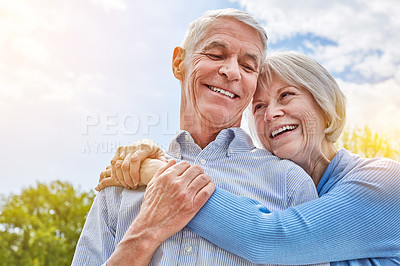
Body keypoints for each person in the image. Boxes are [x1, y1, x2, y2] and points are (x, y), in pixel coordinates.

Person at [98, 52, 400, 265]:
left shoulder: (382, 182)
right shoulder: (281, 192)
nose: (271, 114)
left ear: (323, 103)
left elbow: (269, 237)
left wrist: (159, 172)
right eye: (258, 106)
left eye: (286, 96)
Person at [72, 9, 321, 266]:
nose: (232, 71)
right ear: (179, 62)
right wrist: (144, 234)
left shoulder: (289, 185)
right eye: (215, 54)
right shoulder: (124, 179)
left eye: (248, 66)